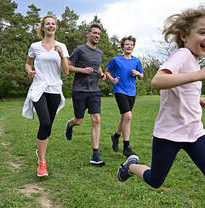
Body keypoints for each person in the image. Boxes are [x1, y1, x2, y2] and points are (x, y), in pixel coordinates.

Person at [117, 5, 205, 208]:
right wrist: (200, 75)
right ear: (184, 35)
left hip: (195, 133)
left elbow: (181, 88)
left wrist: (197, 99)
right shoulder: (182, 55)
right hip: (169, 134)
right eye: (203, 32)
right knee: (155, 180)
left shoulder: (194, 60)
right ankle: (130, 167)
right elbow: (158, 81)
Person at [22, 14, 69, 177]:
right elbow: (28, 63)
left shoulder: (61, 46)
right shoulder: (35, 46)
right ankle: (42, 162)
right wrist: (29, 71)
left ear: (56, 27)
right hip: (39, 88)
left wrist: (62, 55)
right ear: (43, 27)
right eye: (47, 24)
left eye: (53, 24)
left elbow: (66, 71)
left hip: (55, 89)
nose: (50, 26)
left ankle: (39, 152)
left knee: (47, 127)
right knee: (45, 122)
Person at [65, 22, 107, 166]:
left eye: (98, 34)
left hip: (94, 90)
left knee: (96, 119)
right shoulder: (79, 50)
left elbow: (98, 66)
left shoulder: (100, 53)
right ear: (88, 34)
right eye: (94, 33)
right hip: (80, 90)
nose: (97, 36)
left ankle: (95, 154)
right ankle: (70, 124)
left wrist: (101, 74)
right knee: (79, 120)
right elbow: (68, 66)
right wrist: (82, 70)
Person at [105, 36, 143, 158]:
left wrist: (137, 73)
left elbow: (141, 76)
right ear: (122, 46)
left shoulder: (136, 61)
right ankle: (126, 147)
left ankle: (115, 136)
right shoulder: (116, 60)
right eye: (127, 44)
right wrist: (112, 79)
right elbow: (106, 71)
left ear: (133, 47)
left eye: (131, 44)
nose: (129, 46)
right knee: (128, 116)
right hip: (119, 90)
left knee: (124, 118)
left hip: (131, 92)